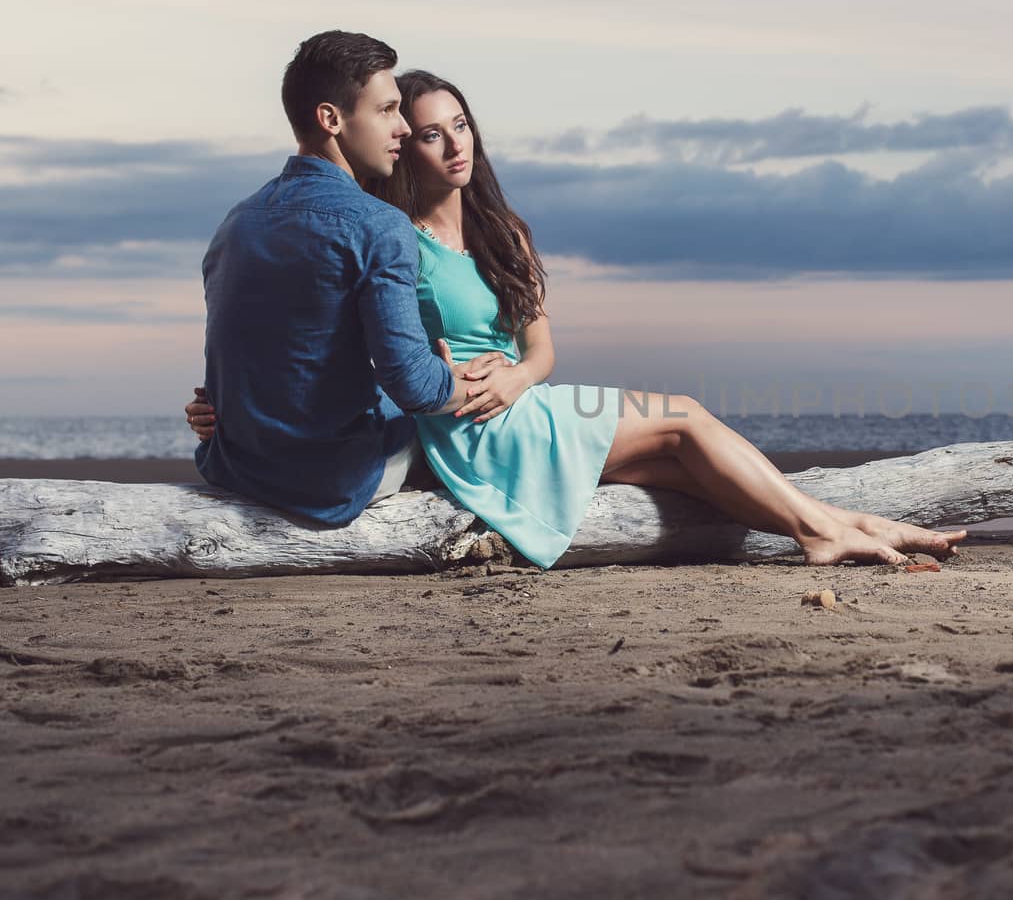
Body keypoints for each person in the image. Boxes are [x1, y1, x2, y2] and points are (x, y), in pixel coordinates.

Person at [189, 54, 965, 567]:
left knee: (670, 460)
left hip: (517, 399)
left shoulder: (502, 231)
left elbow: (540, 350)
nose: (446, 143)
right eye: (424, 131)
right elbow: (353, 347)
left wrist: (521, 379)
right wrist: (237, 398)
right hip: (467, 419)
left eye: (457, 125)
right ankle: (824, 527)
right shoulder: (395, 235)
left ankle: (839, 523)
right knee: (684, 417)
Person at [189, 30, 497, 525]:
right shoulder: (378, 224)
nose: (401, 128)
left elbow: (262, 354)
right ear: (331, 119)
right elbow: (415, 388)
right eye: (386, 111)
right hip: (333, 481)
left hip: (237, 467)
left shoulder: (237, 222)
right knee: (466, 427)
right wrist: (457, 382)